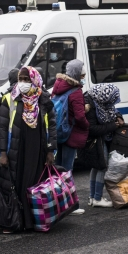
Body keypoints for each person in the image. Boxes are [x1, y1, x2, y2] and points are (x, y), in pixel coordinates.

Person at [0, 66, 57, 230]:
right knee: (18, 183)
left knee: (36, 184)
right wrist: (2, 152)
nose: (22, 83)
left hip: (37, 149)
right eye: (20, 79)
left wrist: (51, 150)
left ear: (35, 80)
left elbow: (51, 127)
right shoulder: (10, 98)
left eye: (26, 79)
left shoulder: (44, 100)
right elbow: (2, 128)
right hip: (16, 149)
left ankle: (36, 219)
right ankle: (20, 221)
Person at [52, 60, 89, 215]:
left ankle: (56, 202)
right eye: (82, 72)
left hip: (58, 131)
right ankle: (71, 204)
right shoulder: (76, 91)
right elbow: (80, 116)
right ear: (76, 73)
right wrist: (87, 125)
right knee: (67, 169)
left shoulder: (58, 86)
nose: (84, 75)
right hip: (70, 133)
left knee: (57, 168)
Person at [85, 83, 124, 208]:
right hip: (95, 140)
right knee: (102, 166)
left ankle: (92, 197)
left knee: (96, 167)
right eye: (111, 101)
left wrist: (118, 116)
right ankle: (97, 198)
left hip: (99, 139)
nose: (111, 104)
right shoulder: (90, 105)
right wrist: (113, 126)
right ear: (105, 97)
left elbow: (113, 110)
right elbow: (92, 129)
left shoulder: (99, 99)